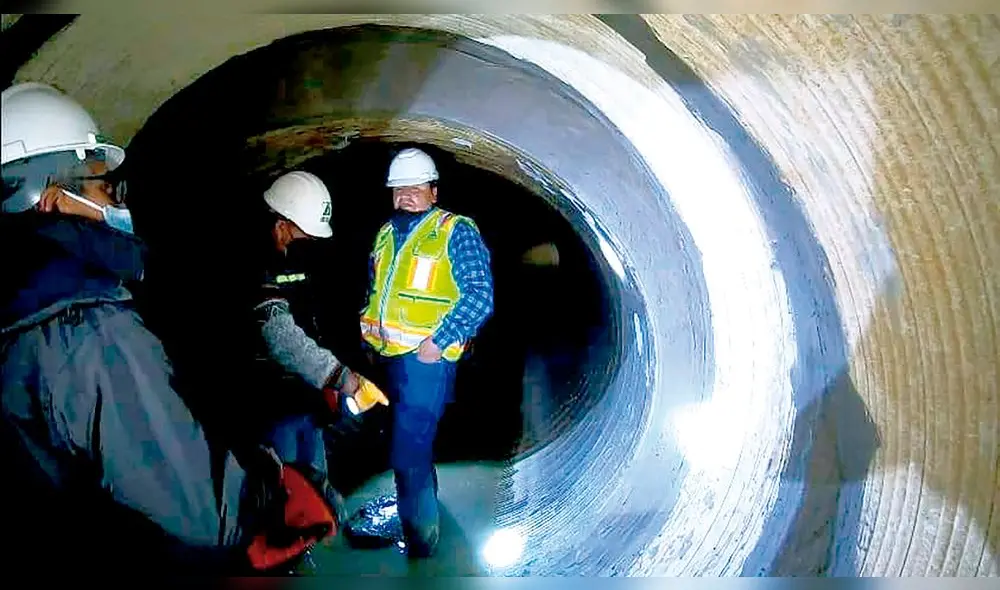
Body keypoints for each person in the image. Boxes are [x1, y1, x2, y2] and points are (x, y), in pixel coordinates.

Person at [0, 82, 334, 574]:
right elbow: (206, 510)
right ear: (51, 199)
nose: (117, 201)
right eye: (104, 185)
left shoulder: (28, 302)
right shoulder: (88, 329)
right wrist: (279, 485)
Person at [359, 147, 494, 557]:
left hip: (426, 363)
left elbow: (479, 295)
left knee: (407, 452)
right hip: (389, 359)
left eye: (416, 188)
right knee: (411, 448)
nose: (406, 195)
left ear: (434, 192)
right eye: (399, 189)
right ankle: (424, 513)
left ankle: (420, 543)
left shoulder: (455, 230)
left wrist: (439, 341)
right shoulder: (386, 232)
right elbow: (377, 291)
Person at [252, 170, 387, 524]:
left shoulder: (293, 258)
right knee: (281, 492)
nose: (308, 243)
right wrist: (343, 378)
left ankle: (316, 531)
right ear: (281, 225)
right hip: (267, 403)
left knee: (314, 483)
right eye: (304, 235)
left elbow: (315, 318)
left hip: (302, 396)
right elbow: (280, 337)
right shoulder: (253, 267)